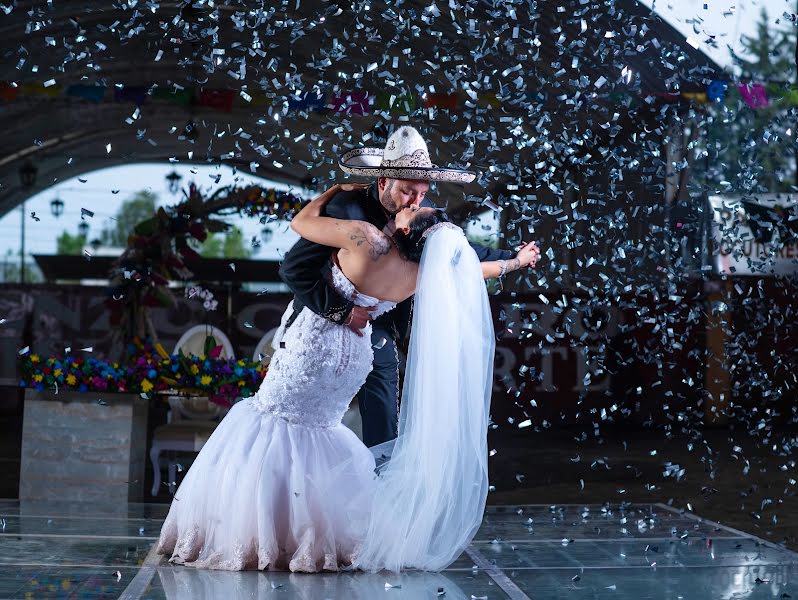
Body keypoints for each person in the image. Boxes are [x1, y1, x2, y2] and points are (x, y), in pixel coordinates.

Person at [156, 181, 540, 572]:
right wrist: (517, 261)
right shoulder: (423, 273)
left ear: (409, 229)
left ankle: (261, 530)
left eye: (416, 211)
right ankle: (312, 537)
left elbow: (302, 222)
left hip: (317, 343)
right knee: (320, 431)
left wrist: (333, 190)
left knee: (272, 419)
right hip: (357, 353)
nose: (417, 205)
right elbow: (480, 269)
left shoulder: (365, 241)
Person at [278, 125, 538, 447]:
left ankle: (380, 468)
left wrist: (514, 255)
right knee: (303, 416)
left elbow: (465, 252)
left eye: (422, 193)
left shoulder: (420, 221)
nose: (414, 201)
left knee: (384, 386)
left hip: (378, 329)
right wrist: (341, 311)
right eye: (407, 192)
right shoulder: (348, 210)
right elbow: (294, 268)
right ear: (384, 181)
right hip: (322, 316)